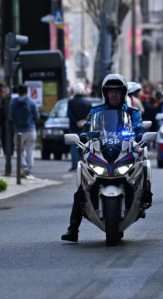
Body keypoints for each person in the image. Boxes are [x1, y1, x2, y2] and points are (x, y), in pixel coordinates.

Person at [61, 74, 149, 242]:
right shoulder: (95, 112)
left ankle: (145, 196)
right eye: (110, 91)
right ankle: (73, 229)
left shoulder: (132, 112)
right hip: (101, 153)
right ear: (105, 93)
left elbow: (139, 129)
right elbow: (85, 130)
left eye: (117, 91)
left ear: (123, 93)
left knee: (143, 165)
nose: (114, 94)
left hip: (123, 152)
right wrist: (83, 138)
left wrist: (139, 137)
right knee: (82, 186)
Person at [8, 84, 40, 179]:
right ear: (27, 91)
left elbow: (10, 116)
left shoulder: (13, 102)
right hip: (30, 129)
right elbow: (37, 116)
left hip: (18, 131)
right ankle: (29, 171)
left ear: (18, 91)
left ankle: (24, 166)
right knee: (29, 150)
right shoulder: (31, 102)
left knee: (18, 150)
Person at [66, 82, 92, 172]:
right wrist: (84, 121)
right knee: (84, 145)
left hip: (74, 127)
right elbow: (91, 115)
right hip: (85, 128)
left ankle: (74, 165)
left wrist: (76, 121)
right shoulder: (88, 102)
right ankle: (83, 164)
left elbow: (69, 114)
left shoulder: (71, 102)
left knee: (73, 146)